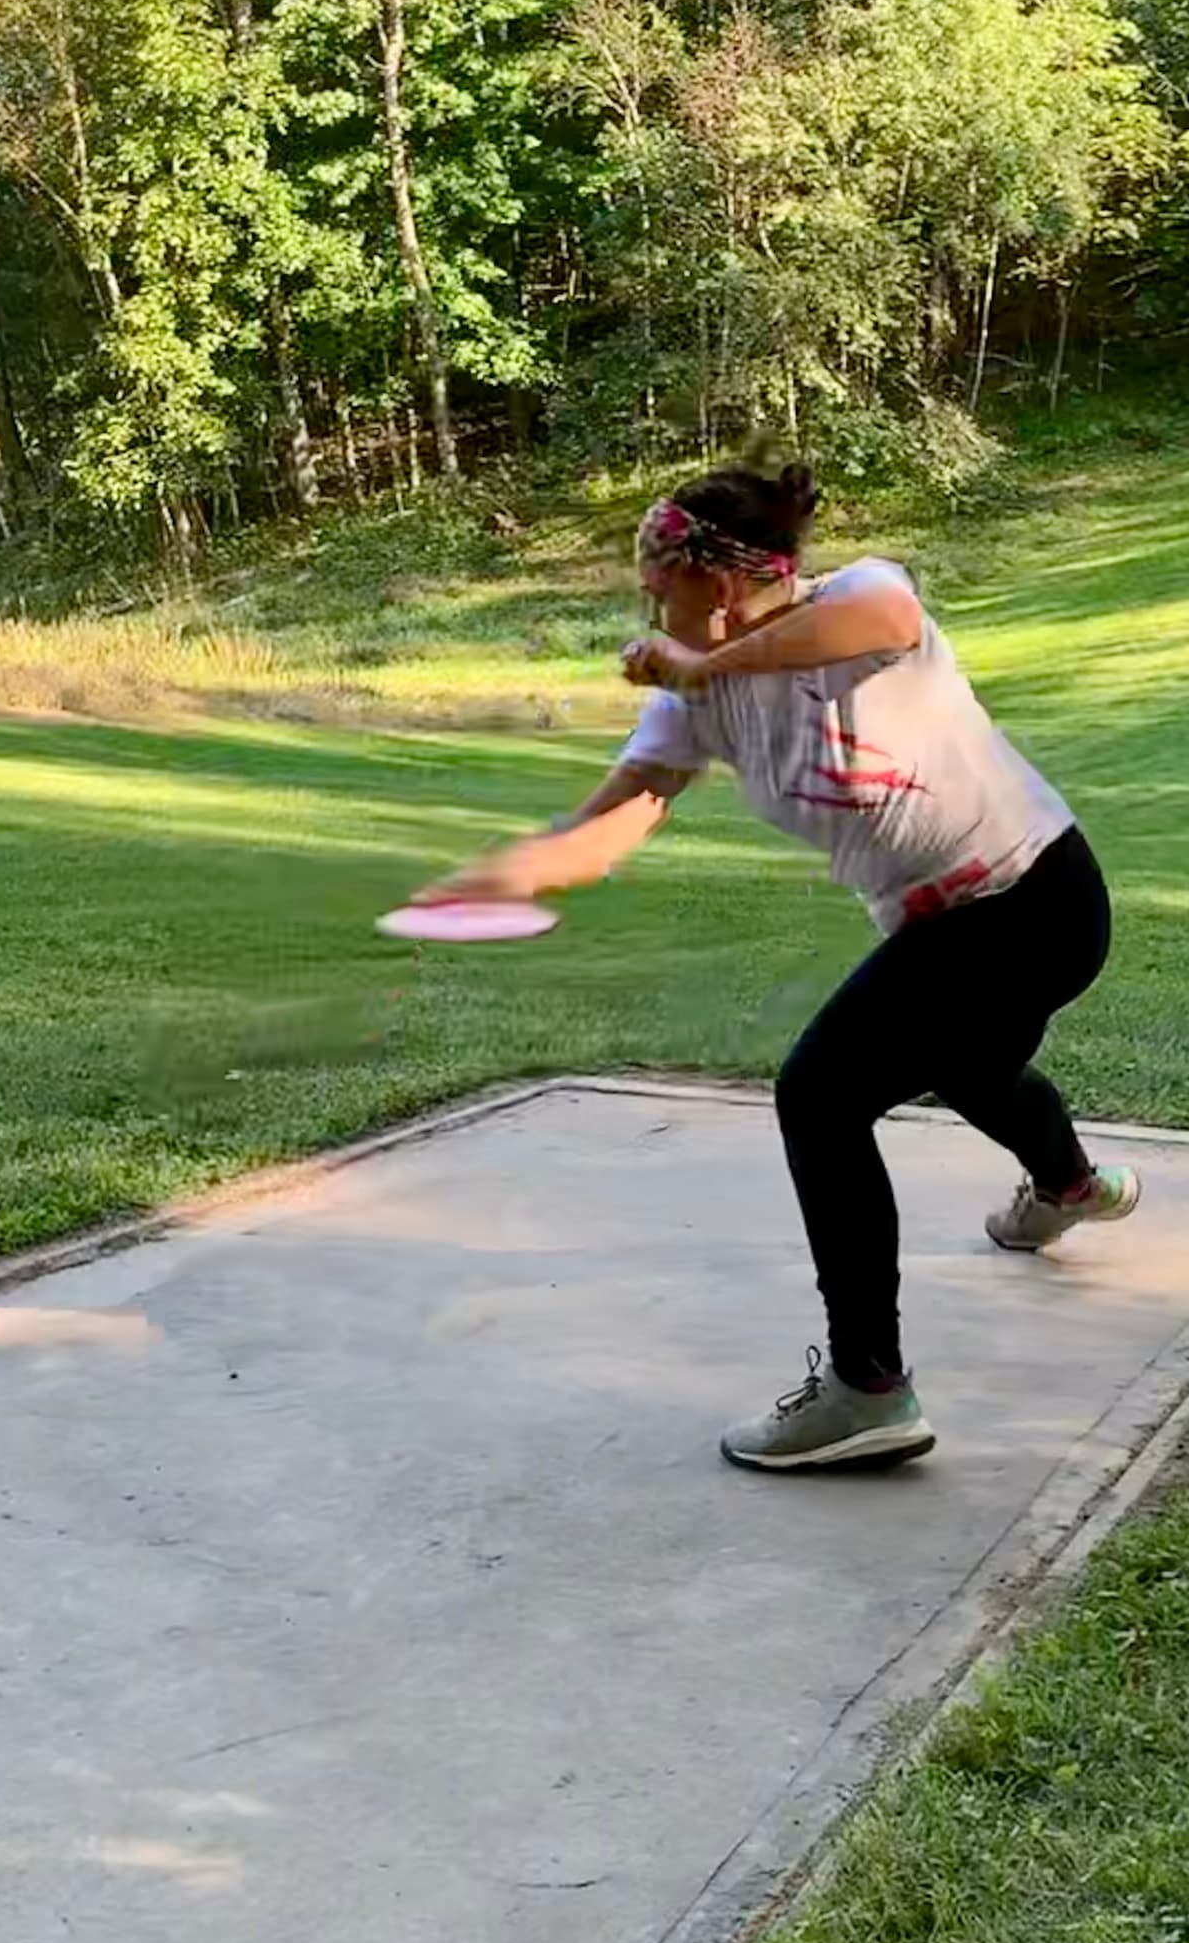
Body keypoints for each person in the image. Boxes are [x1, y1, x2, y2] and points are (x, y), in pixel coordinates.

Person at [421, 459, 1135, 1470]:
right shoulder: (692, 706)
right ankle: (1070, 1187)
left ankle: (867, 1390)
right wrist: (512, 874)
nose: (646, 607)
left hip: (1036, 893)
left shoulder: (859, 599)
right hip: (957, 928)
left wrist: (706, 666)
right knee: (970, 1067)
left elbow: (887, 621)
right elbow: (617, 817)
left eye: (655, 585)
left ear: (713, 584)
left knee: (822, 1094)